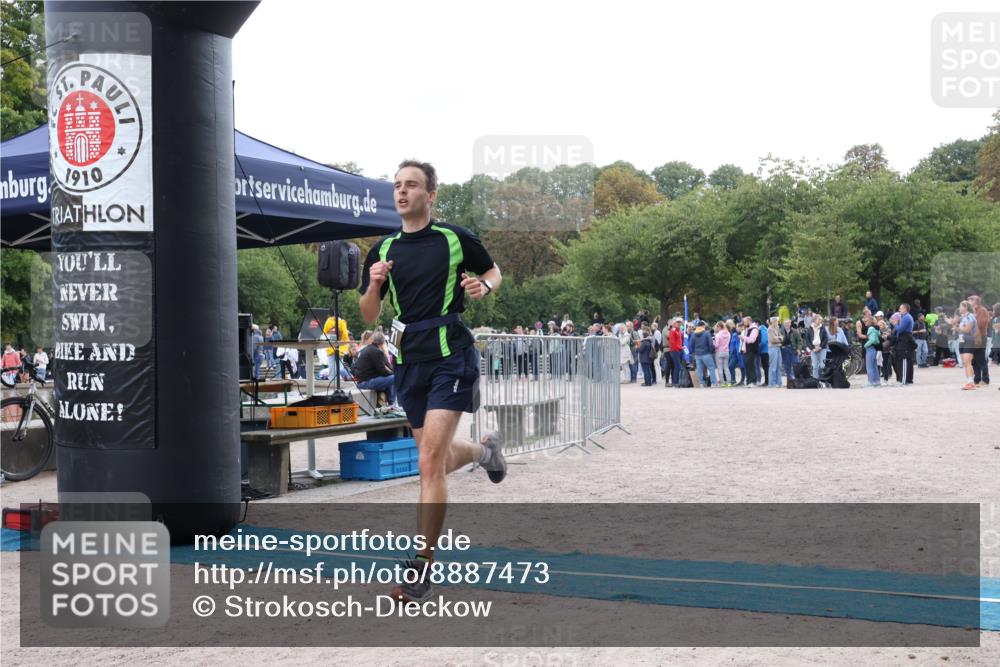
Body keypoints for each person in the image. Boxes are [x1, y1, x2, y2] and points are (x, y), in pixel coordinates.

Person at [358, 159, 506, 604]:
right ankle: (485, 451)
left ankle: (422, 566)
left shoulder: (454, 238)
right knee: (434, 462)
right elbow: (368, 314)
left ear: (430, 194)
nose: (402, 192)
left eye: (412, 185)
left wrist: (485, 287)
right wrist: (371, 283)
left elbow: (494, 271)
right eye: (397, 186)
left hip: (451, 357)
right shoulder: (383, 249)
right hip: (408, 362)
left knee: (427, 460)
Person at [353, 331, 397, 406]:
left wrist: (385, 353)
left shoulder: (371, 349)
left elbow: (388, 365)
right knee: (395, 378)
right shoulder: (376, 351)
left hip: (363, 381)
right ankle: (391, 404)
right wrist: (395, 374)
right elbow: (383, 371)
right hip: (365, 382)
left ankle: (391, 403)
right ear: (383, 342)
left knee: (392, 377)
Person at [954, 301, 978, 390]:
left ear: (966, 307)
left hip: (969, 341)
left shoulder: (970, 316)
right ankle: (969, 381)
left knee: (968, 362)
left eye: (960, 306)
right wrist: (956, 327)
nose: (959, 308)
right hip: (962, 341)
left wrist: (958, 327)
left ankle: (971, 383)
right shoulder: (963, 317)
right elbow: (962, 330)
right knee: (965, 363)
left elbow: (967, 329)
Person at [970, 295, 991, 386]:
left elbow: (981, 323)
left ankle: (985, 379)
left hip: (981, 337)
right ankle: (977, 379)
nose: (969, 301)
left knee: (981, 358)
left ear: (976, 301)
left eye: (971, 300)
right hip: (973, 338)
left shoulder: (982, 310)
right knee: (974, 360)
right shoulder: (972, 311)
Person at [690, 321, 716, 387]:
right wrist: (711, 351)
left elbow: (691, 345)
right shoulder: (707, 333)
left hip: (697, 354)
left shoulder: (693, 334)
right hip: (706, 353)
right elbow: (710, 344)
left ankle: (701, 383)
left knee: (699, 369)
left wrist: (693, 353)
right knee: (711, 368)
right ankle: (713, 383)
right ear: (703, 326)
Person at [862, 313, 881, 387]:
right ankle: (877, 381)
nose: (864, 322)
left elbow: (872, 340)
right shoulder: (876, 328)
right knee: (874, 366)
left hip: (870, 348)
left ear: (870, 321)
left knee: (869, 366)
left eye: (866, 321)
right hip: (875, 348)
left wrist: (865, 345)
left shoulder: (870, 328)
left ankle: (870, 382)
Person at [741, 316, 760, 387]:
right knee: (747, 366)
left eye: (745, 322)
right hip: (746, 350)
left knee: (751, 366)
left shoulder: (754, 329)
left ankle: (752, 381)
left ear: (749, 321)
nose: (744, 323)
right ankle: (749, 381)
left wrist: (743, 338)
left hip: (751, 350)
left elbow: (752, 340)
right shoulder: (748, 329)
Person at [808, 314, 829, 379]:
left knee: (822, 365)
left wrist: (820, 347)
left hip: (822, 348)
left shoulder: (823, 328)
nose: (820, 321)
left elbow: (826, 338)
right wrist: (812, 348)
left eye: (821, 320)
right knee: (815, 366)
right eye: (819, 319)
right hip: (813, 348)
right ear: (815, 320)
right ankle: (815, 380)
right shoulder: (810, 328)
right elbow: (807, 340)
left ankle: (821, 379)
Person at [767, 317, 784, 387]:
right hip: (772, 348)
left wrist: (779, 338)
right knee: (773, 366)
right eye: (777, 321)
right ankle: (772, 383)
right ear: (773, 322)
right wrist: (780, 338)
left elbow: (782, 337)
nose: (778, 322)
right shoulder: (770, 329)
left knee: (779, 366)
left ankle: (779, 383)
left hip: (778, 347)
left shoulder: (777, 328)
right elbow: (772, 340)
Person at [713, 321, 731, 386]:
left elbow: (716, 345)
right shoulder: (728, 333)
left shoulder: (718, 335)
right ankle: (729, 382)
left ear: (719, 327)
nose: (716, 328)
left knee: (720, 368)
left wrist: (713, 343)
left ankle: (723, 383)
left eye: (717, 327)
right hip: (726, 352)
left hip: (719, 352)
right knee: (726, 367)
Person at [668, 318, 684, 387]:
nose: (679, 323)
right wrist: (679, 348)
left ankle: (675, 381)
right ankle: (675, 382)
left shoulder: (679, 330)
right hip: (675, 350)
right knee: (677, 366)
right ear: (674, 323)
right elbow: (672, 342)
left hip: (678, 350)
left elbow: (679, 341)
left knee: (677, 366)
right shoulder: (673, 330)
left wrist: (681, 347)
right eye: (677, 322)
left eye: (680, 322)